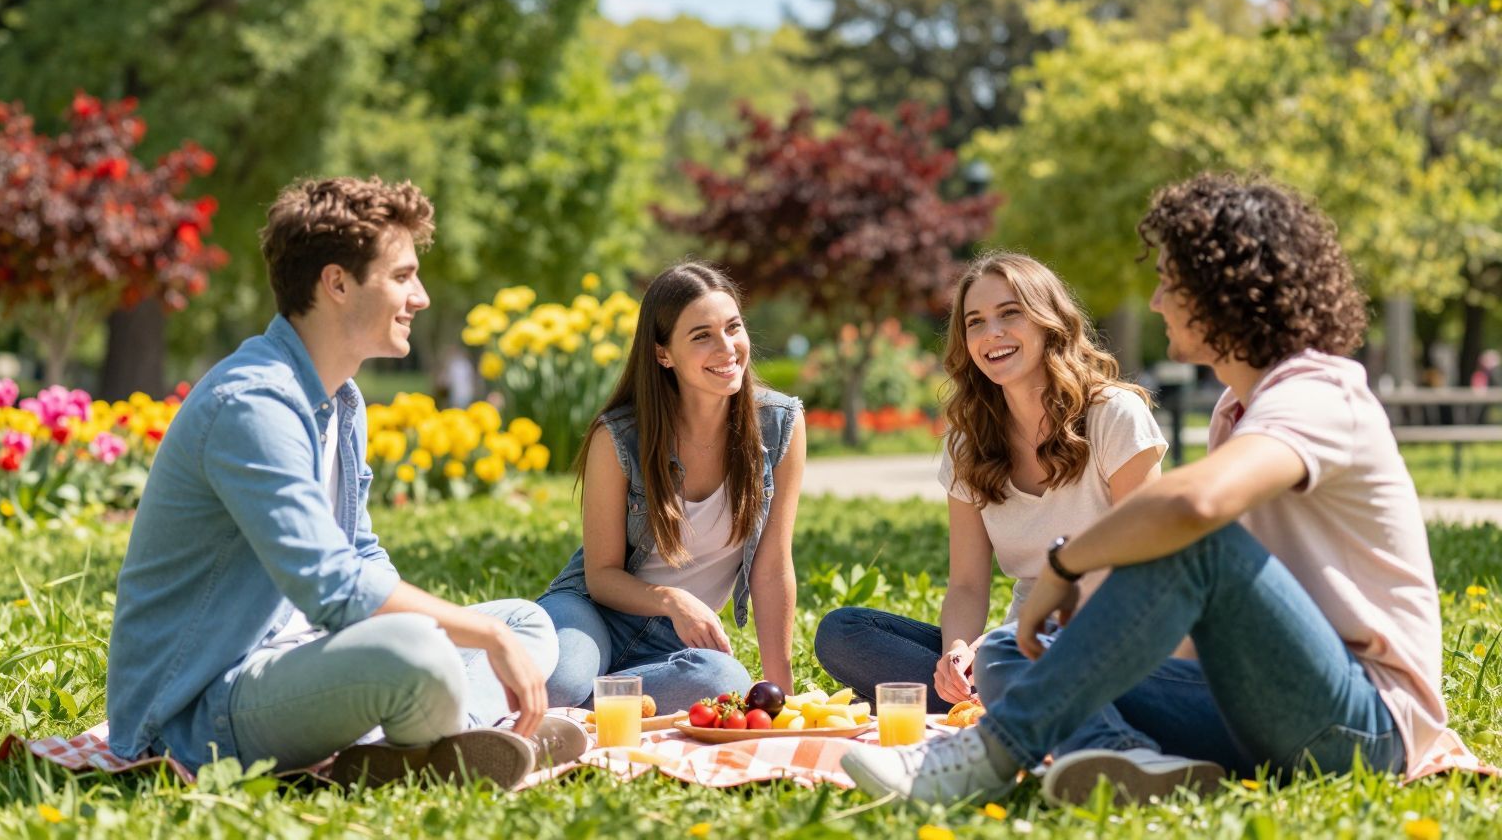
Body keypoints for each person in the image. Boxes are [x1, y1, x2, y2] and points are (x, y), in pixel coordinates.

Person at [842, 173, 1474, 806]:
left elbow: (1190, 510)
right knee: (1010, 649)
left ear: (1221, 292)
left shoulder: (1318, 392)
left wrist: (1065, 566)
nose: (1155, 302)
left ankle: (985, 756)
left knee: (1197, 541)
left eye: (1170, 282)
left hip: (1363, 725)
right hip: (1258, 702)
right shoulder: (1237, 412)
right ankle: (1117, 760)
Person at [107, 176, 582, 790]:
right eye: (403, 275)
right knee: (420, 654)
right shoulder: (252, 403)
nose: (422, 296)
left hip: (302, 664)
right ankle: (455, 742)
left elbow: (360, 553)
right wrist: (472, 633)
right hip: (196, 712)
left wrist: (488, 631)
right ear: (336, 283)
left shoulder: (343, 402)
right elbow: (332, 585)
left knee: (526, 623)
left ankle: (431, 745)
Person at [814, 253, 1172, 730]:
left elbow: (1147, 568)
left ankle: (1013, 705)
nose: (991, 334)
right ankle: (987, 702)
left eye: (1010, 314)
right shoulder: (968, 441)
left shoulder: (1113, 415)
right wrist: (957, 653)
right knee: (842, 631)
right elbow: (965, 585)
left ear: (1049, 322)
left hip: (1112, 636)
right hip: (1011, 654)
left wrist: (1029, 635)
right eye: (975, 322)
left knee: (1015, 660)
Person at [538, 261, 806, 710]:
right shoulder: (620, 437)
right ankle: (565, 696)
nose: (727, 348)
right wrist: (672, 600)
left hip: (674, 644)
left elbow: (773, 567)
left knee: (723, 677)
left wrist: (786, 696)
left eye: (733, 328)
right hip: (589, 615)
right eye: (701, 336)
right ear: (663, 353)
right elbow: (601, 577)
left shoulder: (780, 425)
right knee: (561, 681)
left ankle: (573, 713)